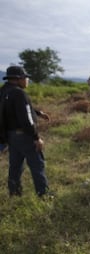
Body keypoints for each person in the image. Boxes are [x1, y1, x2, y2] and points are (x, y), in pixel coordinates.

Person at [1, 65, 50, 196]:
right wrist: (36, 138)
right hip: (24, 136)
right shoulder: (19, 93)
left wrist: (38, 113)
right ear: (19, 79)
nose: (27, 80)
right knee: (37, 165)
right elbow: (26, 120)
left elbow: (15, 110)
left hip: (11, 136)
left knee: (15, 166)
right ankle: (44, 195)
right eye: (26, 78)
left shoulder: (4, 91)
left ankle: (14, 192)